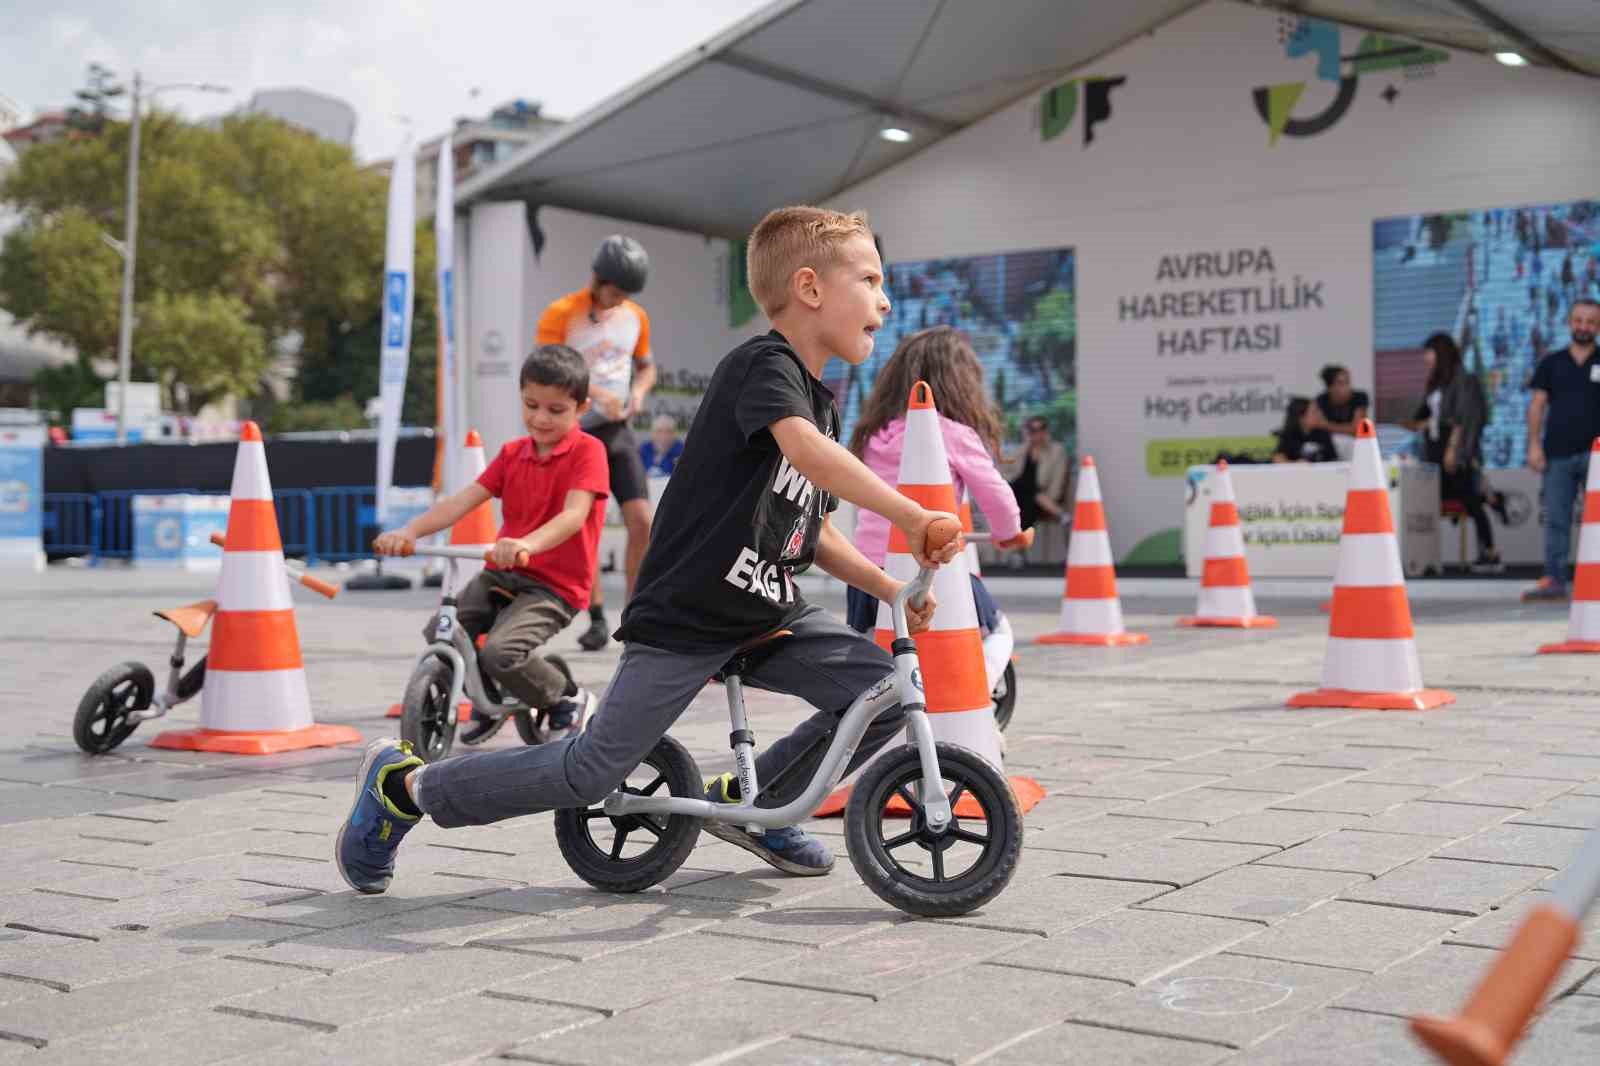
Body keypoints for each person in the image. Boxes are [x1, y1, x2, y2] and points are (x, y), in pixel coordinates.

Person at [337, 205, 961, 894]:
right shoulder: (764, 367)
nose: (886, 298)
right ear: (811, 289)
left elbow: (811, 528)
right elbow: (806, 455)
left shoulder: (820, 403)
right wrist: (908, 513)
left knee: (880, 691)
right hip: (688, 616)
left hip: (764, 615)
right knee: (592, 770)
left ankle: (756, 806)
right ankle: (407, 787)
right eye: (871, 279)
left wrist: (887, 587)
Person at [372, 345, 607, 745]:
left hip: (555, 585)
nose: (540, 418)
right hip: (505, 572)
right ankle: (487, 697)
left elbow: (573, 516)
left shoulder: (588, 451)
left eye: (555, 410)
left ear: (580, 408)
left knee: (501, 652)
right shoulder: (513, 454)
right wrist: (410, 532)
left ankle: (566, 698)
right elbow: (463, 501)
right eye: (531, 405)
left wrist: (525, 543)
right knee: (443, 629)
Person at [844, 325, 1030, 695]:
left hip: (867, 574)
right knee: (997, 633)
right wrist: (1009, 533)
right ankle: (975, 700)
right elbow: (997, 497)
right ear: (962, 382)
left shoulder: (873, 435)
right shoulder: (954, 434)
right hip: (933, 572)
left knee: (876, 661)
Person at [536, 235, 656, 652]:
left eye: (627, 295)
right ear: (597, 279)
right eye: (615, 292)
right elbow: (545, 374)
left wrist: (639, 392)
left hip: (617, 430)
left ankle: (636, 615)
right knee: (584, 525)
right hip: (575, 432)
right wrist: (592, 393)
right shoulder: (562, 315)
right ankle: (597, 617)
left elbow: (646, 366)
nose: (619, 300)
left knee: (641, 520)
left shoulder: (635, 316)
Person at [1523, 299, 1600, 600]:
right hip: (1558, 455)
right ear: (1569, 322)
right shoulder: (1551, 363)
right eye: (1579, 320)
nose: (1584, 326)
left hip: (1597, 457)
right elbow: (1537, 405)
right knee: (1556, 519)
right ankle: (1555, 580)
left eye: (1591, 322)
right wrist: (1532, 445)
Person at [1405, 333, 1501, 572]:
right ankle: (1490, 497)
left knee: (1469, 501)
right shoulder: (1435, 384)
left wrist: (1453, 452)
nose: (1425, 358)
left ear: (1441, 353)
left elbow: (1465, 420)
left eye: (1429, 353)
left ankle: (1489, 551)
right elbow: (1423, 417)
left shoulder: (1464, 380)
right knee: (1443, 499)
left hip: (1455, 451)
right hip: (1434, 452)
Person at [1003, 416, 1069, 533]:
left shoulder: (1056, 451)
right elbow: (1005, 470)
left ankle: (1019, 544)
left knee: (1027, 497)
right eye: (1033, 429)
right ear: (1028, 432)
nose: (1037, 433)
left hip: (1040, 494)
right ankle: (1059, 513)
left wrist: (1052, 496)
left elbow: (1058, 478)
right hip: (1021, 491)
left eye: (1041, 428)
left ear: (1046, 430)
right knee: (1023, 490)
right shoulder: (1021, 451)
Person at [1272, 398, 1337, 463]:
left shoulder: (1323, 433)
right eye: (1314, 412)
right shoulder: (1289, 434)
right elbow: (1278, 458)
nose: (1320, 414)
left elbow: (1333, 459)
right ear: (1301, 418)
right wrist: (1295, 464)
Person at [1314, 364, 1370, 437]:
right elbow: (1316, 426)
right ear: (1330, 387)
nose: (1348, 387)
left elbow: (1357, 429)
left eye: (1348, 382)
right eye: (1342, 383)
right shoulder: (1321, 400)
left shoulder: (1359, 397)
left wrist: (1326, 425)